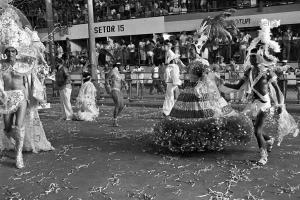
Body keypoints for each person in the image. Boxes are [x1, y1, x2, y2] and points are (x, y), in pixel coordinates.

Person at [222, 19, 299, 165]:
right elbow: (237, 86)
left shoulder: (267, 72)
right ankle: (269, 139)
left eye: (255, 56)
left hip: (264, 105)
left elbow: (276, 89)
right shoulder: (249, 72)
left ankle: (263, 157)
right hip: (253, 104)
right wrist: (221, 84)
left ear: (260, 57)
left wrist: (280, 105)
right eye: (251, 57)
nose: (252, 59)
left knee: (257, 131)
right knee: (252, 127)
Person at [0, 5, 47, 168]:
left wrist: (40, 60)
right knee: (7, 129)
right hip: (6, 99)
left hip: (21, 98)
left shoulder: (24, 66)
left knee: (19, 127)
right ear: (5, 52)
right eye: (9, 51)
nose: (11, 53)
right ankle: (15, 145)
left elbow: (34, 76)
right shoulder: (1, 68)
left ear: (16, 52)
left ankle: (18, 155)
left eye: (13, 51)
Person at [106, 62, 128, 127]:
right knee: (118, 104)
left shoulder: (119, 73)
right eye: (122, 66)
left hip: (119, 90)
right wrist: (108, 87)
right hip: (114, 89)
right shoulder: (113, 71)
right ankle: (114, 121)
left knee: (122, 106)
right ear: (118, 66)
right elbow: (107, 79)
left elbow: (122, 81)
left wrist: (125, 84)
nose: (123, 68)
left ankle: (115, 118)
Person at [162, 50, 182, 116]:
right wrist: (176, 82)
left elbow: (167, 72)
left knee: (170, 97)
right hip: (173, 83)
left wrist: (167, 79)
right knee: (172, 97)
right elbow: (173, 75)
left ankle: (169, 111)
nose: (177, 59)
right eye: (176, 58)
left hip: (171, 83)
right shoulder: (174, 66)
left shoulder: (170, 66)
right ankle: (169, 111)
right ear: (173, 59)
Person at [55, 56, 73, 121]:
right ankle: (64, 115)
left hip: (66, 86)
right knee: (62, 102)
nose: (55, 64)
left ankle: (69, 116)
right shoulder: (58, 69)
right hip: (61, 86)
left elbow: (68, 77)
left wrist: (64, 84)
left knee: (66, 102)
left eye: (56, 62)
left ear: (59, 63)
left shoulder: (63, 68)